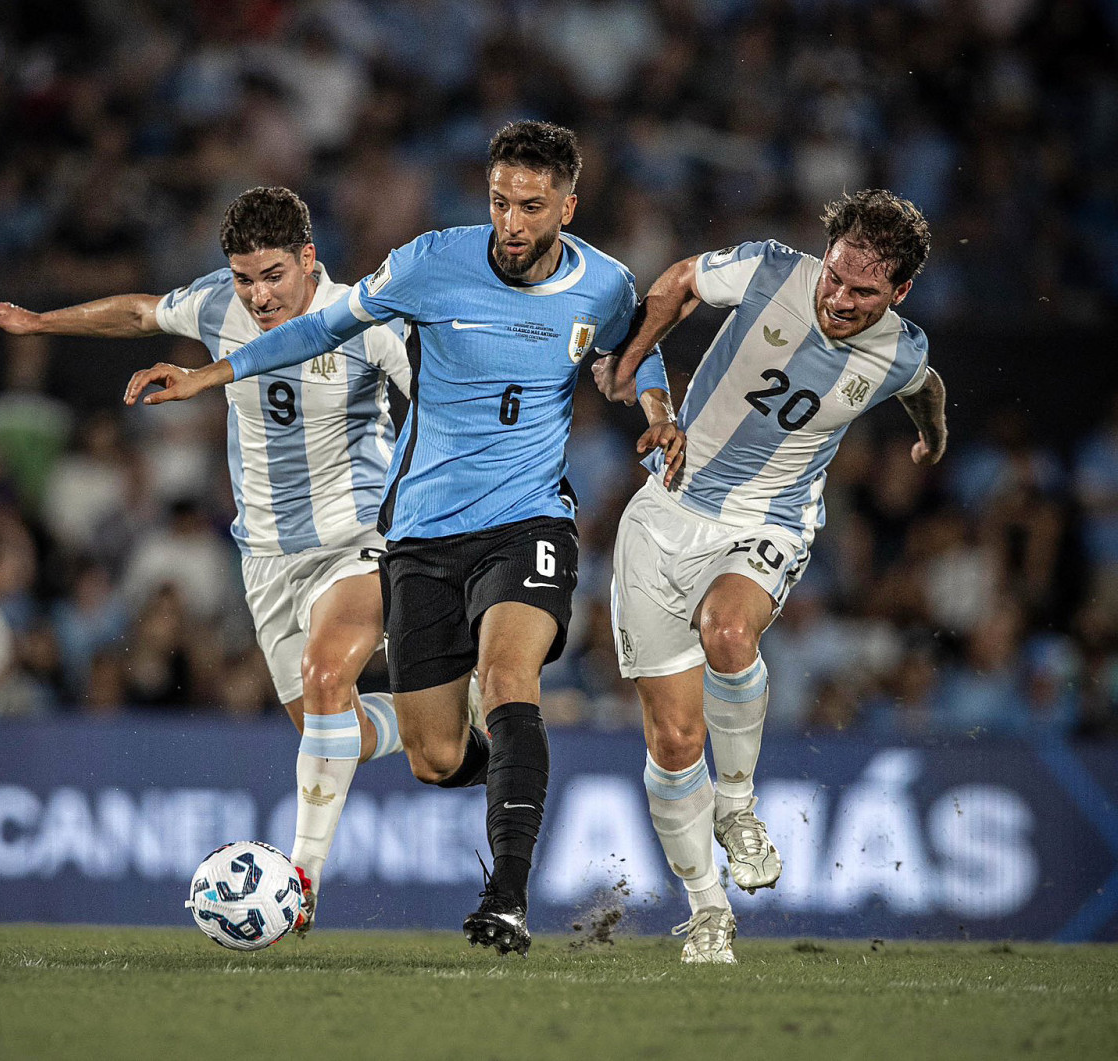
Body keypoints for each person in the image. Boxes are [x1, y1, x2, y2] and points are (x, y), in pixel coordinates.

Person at [122, 121, 682, 956]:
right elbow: (324, 325)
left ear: (569, 204)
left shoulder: (604, 284)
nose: (514, 223)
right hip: (420, 534)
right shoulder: (429, 262)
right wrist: (210, 373)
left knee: (505, 676)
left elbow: (637, 354)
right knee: (433, 753)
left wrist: (660, 414)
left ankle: (506, 896)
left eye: (532, 206)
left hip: (529, 518)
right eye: (500, 202)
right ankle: (507, 764)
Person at [0, 186, 424, 933]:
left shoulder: (365, 319)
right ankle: (439, 708)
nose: (258, 294)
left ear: (309, 258)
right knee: (325, 724)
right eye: (245, 277)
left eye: (274, 274)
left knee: (323, 677)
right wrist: (40, 320)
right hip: (266, 556)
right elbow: (141, 311)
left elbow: (438, 406)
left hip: (355, 541)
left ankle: (300, 884)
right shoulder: (219, 304)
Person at [597, 189, 947, 963]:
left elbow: (927, 390)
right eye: (835, 278)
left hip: (770, 519)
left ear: (899, 294)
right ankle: (708, 908)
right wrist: (632, 361)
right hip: (667, 512)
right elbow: (681, 280)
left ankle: (739, 806)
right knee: (674, 737)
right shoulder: (768, 269)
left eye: (863, 292)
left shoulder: (900, 349)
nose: (840, 299)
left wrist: (932, 439)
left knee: (728, 630)